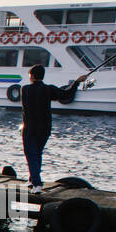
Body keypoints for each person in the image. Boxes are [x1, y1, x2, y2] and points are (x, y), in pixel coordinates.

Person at [21, 65, 86, 193]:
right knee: (37, 153)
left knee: (31, 154)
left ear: (32, 76)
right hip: (45, 128)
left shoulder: (25, 89)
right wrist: (76, 83)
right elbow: (66, 94)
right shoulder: (48, 89)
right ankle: (32, 179)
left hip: (30, 127)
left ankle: (36, 183)